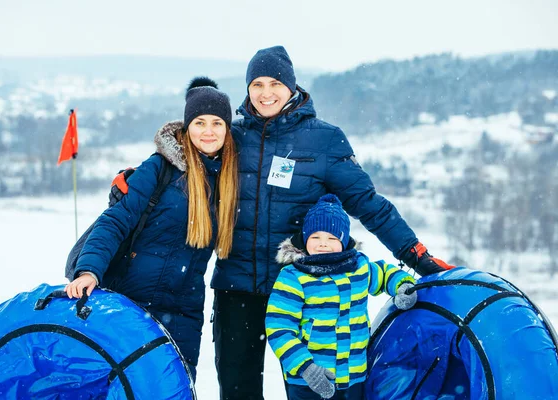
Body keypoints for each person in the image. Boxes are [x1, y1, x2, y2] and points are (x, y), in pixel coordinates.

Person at [210, 45, 453, 399]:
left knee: (311, 391)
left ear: (292, 87)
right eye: (257, 84)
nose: (266, 93)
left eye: (275, 83)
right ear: (247, 88)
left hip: (306, 289)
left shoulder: (324, 139)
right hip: (237, 288)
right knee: (237, 392)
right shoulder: (232, 137)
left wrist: (417, 255)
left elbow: (370, 205)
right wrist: (137, 180)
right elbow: (185, 166)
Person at [64, 77, 238, 381]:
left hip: (183, 312)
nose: (208, 131)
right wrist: (89, 270)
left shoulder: (229, 179)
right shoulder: (160, 169)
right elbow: (115, 220)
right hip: (128, 300)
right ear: (186, 127)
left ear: (227, 129)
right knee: (116, 385)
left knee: (171, 387)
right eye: (199, 122)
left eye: (217, 123)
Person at [265, 194, 417, 400]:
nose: (323, 244)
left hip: (353, 377)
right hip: (307, 381)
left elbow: (384, 273)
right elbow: (279, 328)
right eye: (315, 237)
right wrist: (306, 367)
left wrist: (402, 285)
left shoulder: (359, 268)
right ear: (305, 239)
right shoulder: (293, 277)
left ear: (344, 241)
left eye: (332, 238)